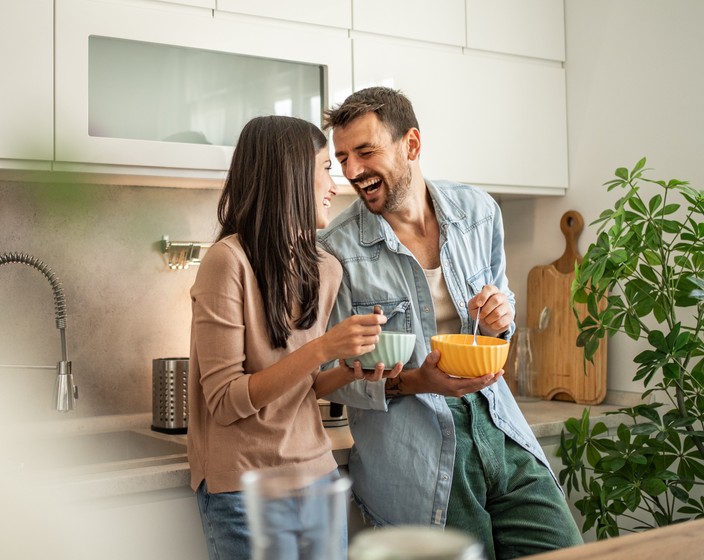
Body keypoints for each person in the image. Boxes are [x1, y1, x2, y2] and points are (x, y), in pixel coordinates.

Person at [317, 87, 584, 560]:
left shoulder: (479, 213)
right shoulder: (338, 251)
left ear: (412, 145)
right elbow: (332, 379)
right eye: (342, 158)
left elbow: (498, 327)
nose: (352, 171)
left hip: (501, 427)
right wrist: (422, 381)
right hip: (418, 456)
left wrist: (501, 318)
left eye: (365, 152)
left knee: (566, 550)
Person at [187, 115, 400, 560]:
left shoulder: (325, 268)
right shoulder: (227, 263)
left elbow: (303, 386)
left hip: (317, 475)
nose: (335, 185)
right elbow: (226, 401)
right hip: (245, 489)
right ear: (287, 175)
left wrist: (347, 369)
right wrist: (324, 347)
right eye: (325, 167)